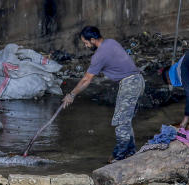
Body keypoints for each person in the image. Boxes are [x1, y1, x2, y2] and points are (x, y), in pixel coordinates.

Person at [62, 26, 145, 162]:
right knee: (126, 121)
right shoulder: (111, 42)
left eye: (86, 42)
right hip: (139, 81)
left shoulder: (99, 55)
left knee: (121, 122)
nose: (86, 45)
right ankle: (129, 153)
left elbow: (86, 79)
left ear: (93, 40)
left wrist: (71, 95)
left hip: (130, 84)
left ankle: (120, 157)